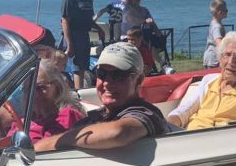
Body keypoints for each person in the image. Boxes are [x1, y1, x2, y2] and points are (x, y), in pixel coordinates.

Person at [34, 42, 169, 152]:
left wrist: (50, 144)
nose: (107, 83)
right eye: (102, 73)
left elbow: (119, 132)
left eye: (118, 75)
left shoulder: (145, 113)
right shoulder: (97, 116)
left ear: (138, 80)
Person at [168, 31, 236, 130]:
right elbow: (185, 109)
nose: (231, 62)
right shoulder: (209, 81)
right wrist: (170, 124)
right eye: (227, 55)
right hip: (188, 136)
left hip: (221, 142)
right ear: (220, 59)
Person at [7, 59, 86, 141]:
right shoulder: (23, 121)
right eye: (28, 89)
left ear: (57, 87)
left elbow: (49, 147)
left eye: (40, 87)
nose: (34, 94)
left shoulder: (67, 115)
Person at [60, 0, 105, 91]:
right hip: (74, 36)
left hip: (85, 35)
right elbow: (65, 21)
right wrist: (69, 44)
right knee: (77, 67)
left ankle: (81, 91)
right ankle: (78, 94)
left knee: (84, 66)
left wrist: (99, 29)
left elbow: (89, 19)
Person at [203, 0, 227, 68]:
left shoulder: (214, 23)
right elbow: (218, 42)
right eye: (226, 10)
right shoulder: (217, 27)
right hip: (214, 59)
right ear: (220, 13)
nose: (227, 12)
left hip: (211, 58)